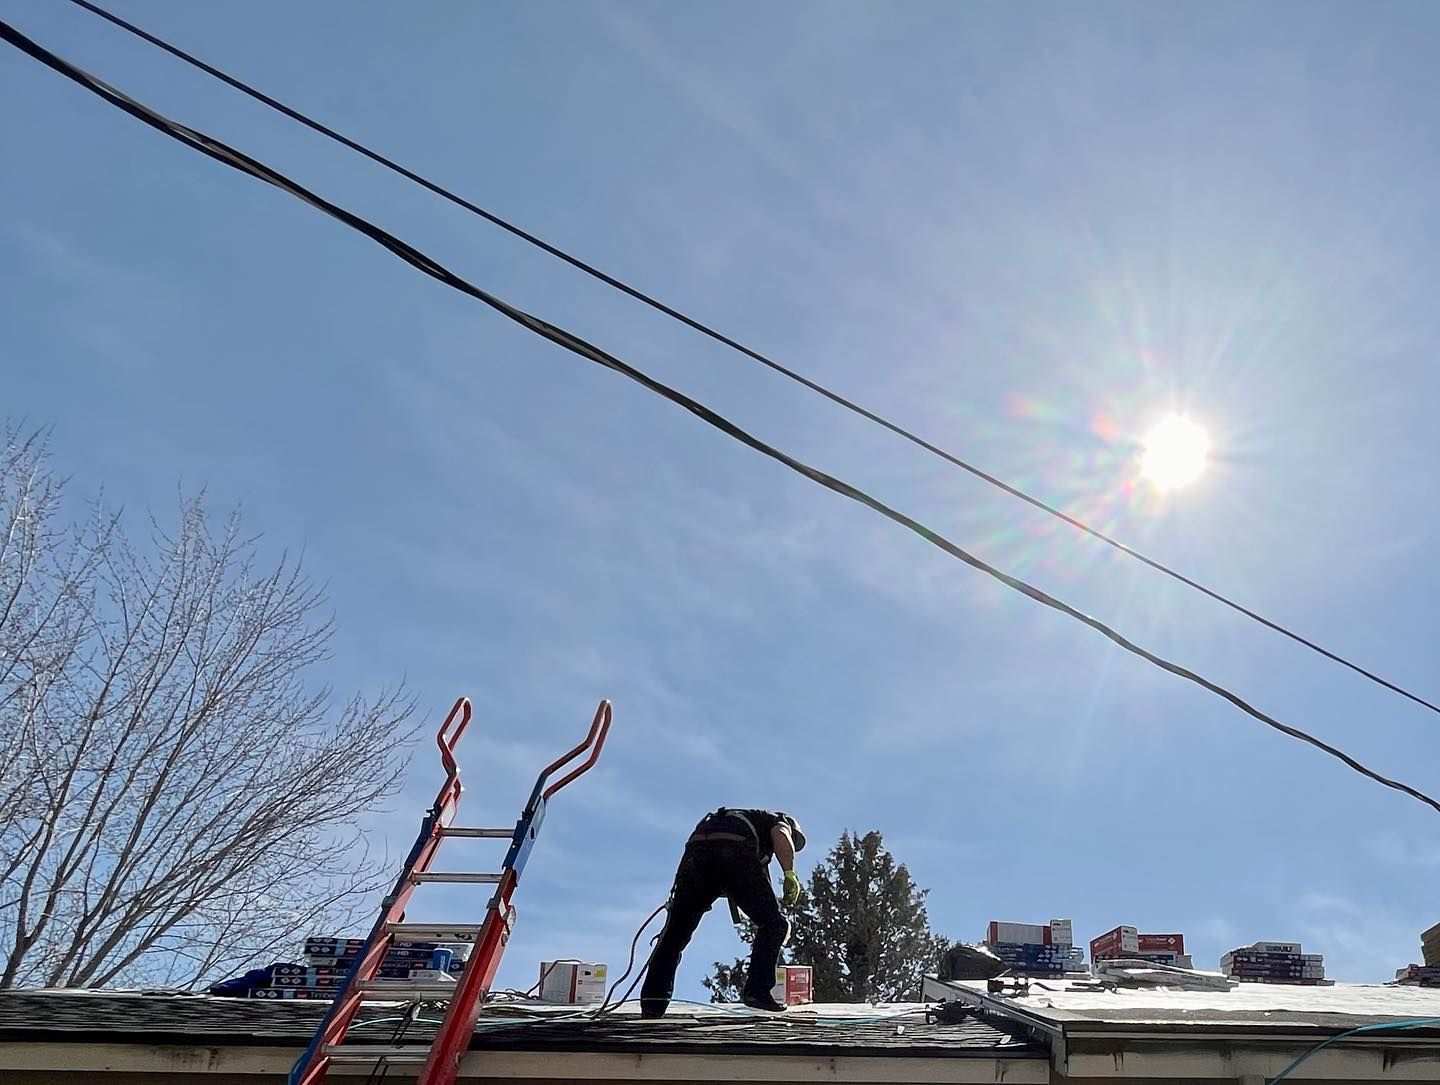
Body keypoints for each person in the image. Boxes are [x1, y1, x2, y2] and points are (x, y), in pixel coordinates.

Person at [640, 807, 806, 1018]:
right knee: (775, 924)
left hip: (696, 855)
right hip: (732, 851)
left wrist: (773, 919)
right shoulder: (776, 821)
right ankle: (758, 991)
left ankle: (652, 1003)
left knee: (675, 934)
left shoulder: (736, 824)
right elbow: (781, 834)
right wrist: (789, 873)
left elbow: (762, 894)